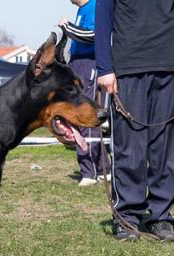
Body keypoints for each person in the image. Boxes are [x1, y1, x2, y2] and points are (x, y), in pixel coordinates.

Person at [95, 0, 174, 241]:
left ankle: (161, 216)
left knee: (166, 150)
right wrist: (103, 68)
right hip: (128, 67)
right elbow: (103, 19)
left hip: (170, 66)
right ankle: (127, 216)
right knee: (130, 148)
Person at [59, 0, 111, 187]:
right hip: (78, 64)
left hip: (89, 63)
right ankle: (104, 167)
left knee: (86, 115)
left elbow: (94, 35)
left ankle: (89, 171)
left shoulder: (94, 6)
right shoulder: (83, 9)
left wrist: (68, 27)